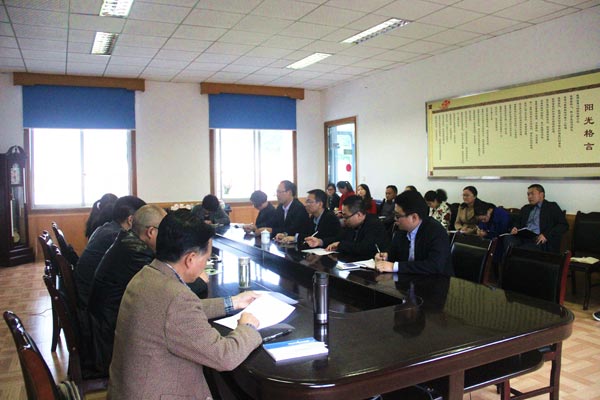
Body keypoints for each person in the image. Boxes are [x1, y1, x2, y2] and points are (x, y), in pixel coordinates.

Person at [108, 209, 262, 400]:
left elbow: (179, 312)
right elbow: (225, 357)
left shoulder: (147, 275)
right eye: (206, 259)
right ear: (190, 259)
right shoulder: (176, 297)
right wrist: (247, 327)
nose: (205, 264)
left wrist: (232, 302)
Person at [88, 205, 209, 375]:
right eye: (166, 231)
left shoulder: (128, 242)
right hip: (111, 340)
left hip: (107, 324)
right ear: (151, 232)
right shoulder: (137, 253)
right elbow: (171, 289)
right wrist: (199, 279)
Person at [75, 195, 147, 310]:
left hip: (87, 295)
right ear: (131, 220)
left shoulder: (106, 228)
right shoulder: (116, 237)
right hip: (91, 306)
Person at [375, 190, 453, 275]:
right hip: (410, 279)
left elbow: (434, 266)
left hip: (438, 280)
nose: (395, 219)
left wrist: (395, 266)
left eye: (397, 216)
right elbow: (394, 253)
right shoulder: (402, 230)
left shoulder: (436, 231)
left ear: (414, 217)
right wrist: (386, 256)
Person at [306, 195, 389, 259]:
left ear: (359, 215)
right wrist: (320, 242)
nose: (344, 220)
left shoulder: (374, 224)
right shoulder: (351, 225)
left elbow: (364, 248)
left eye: (346, 216)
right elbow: (339, 238)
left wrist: (340, 245)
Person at [503, 184, 568, 253]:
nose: (529, 197)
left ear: (541, 194)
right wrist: (515, 228)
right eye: (528, 194)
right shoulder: (526, 208)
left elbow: (563, 225)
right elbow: (517, 222)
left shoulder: (551, 207)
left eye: (532, 194)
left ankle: (513, 258)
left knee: (523, 249)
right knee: (508, 239)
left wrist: (546, 235)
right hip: (523, 237)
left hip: (539, 239)